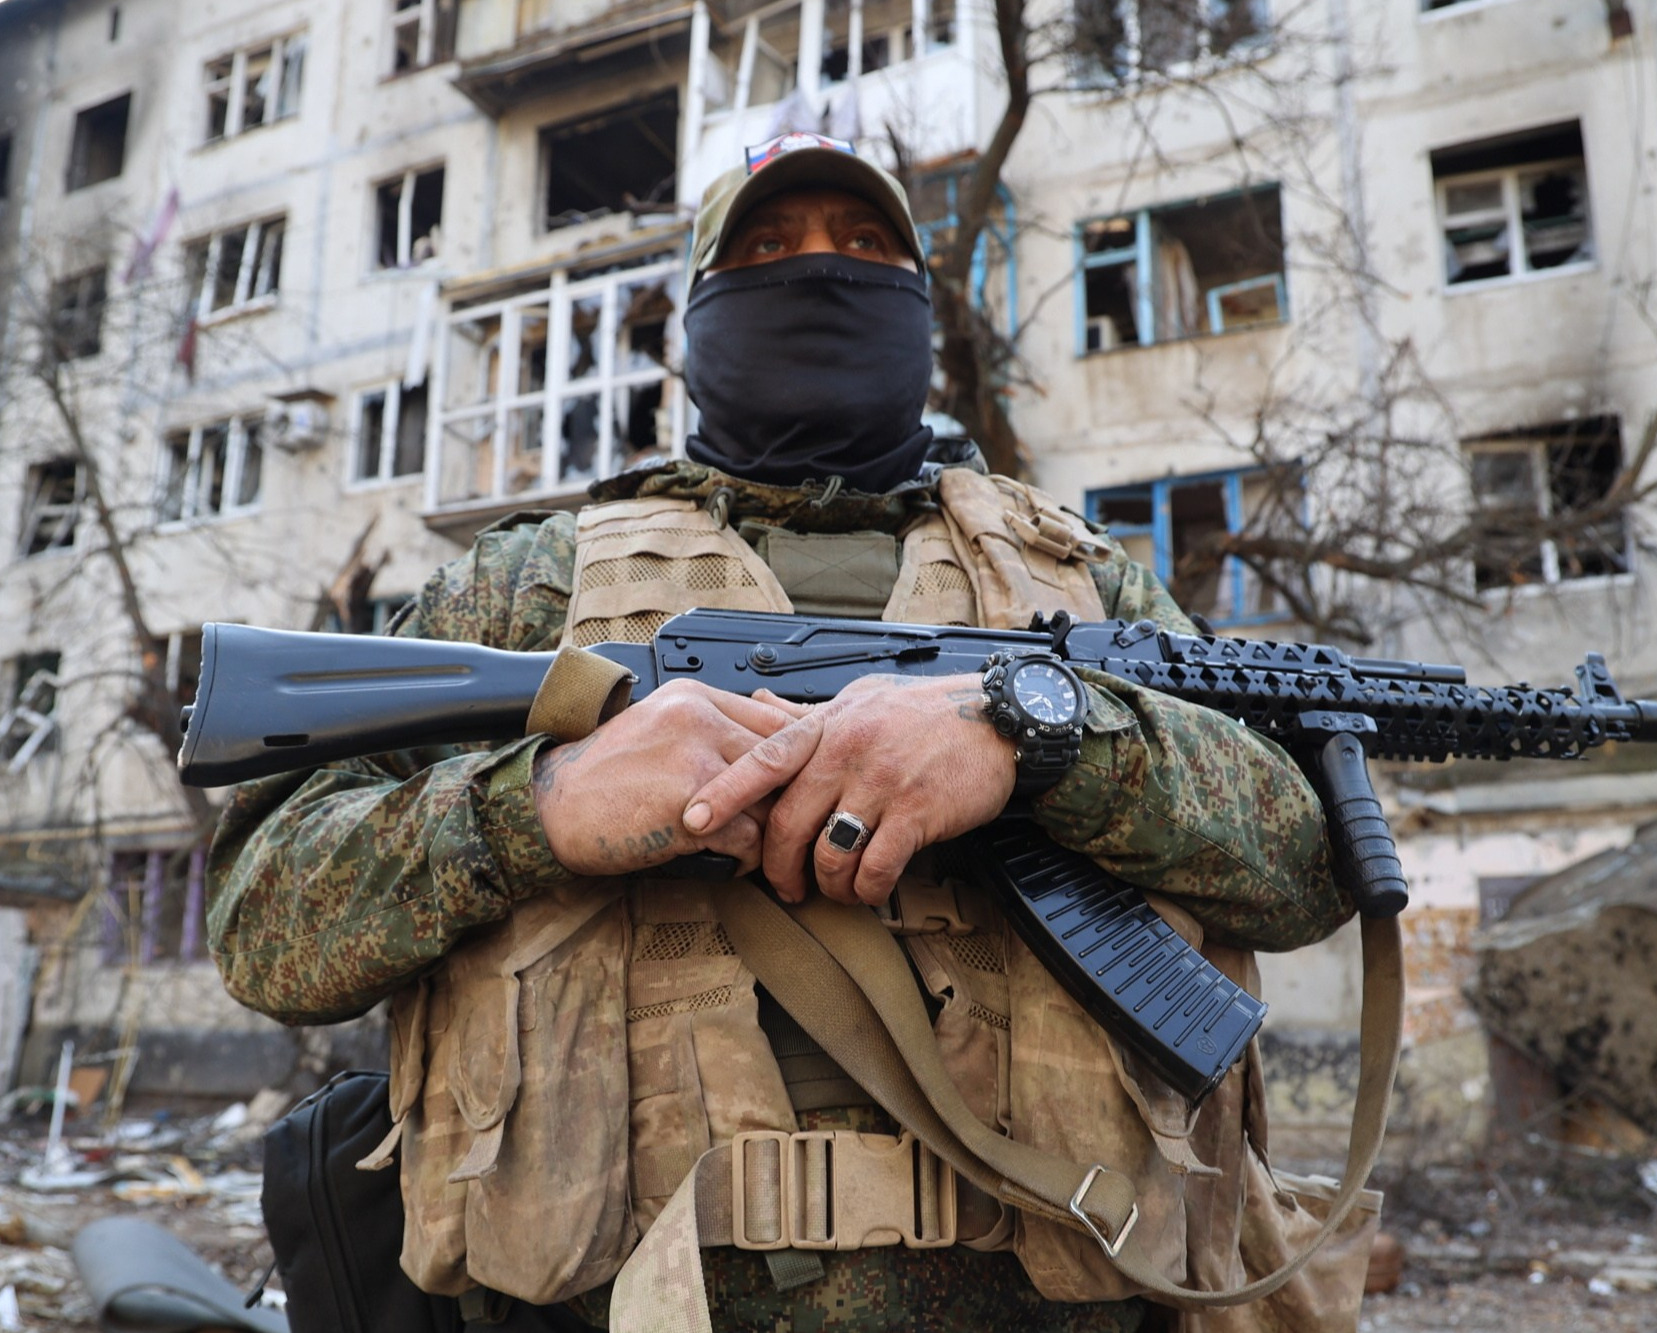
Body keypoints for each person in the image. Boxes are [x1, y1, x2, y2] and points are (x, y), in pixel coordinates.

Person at [208, 133, 1355, 1333]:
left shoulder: (1074, 582)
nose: (822, 274)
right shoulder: (533, 583)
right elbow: (259, 924)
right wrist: (534, 808)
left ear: (918, 313)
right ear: (696, 325)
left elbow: (1311, 864)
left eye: (865, 249)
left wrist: (1037, 739)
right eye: (768, 250)